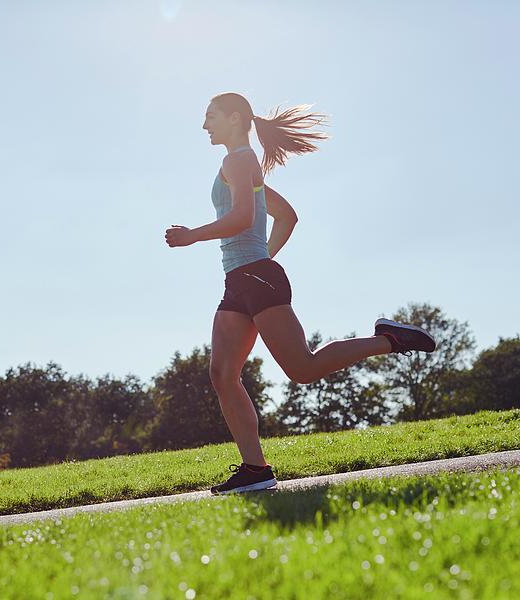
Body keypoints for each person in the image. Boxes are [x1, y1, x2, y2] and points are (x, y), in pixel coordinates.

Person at [164, 92, 436, 495]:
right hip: (243, 279)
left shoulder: (237, 160)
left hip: (254, 278)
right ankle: (255, 469)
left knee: (303, 370)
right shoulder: (242, 164)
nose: (205, 125)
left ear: (235, 118)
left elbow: (243, 217)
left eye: (211, 116)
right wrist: (258, 260)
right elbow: (287, 216)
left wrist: (193, 237)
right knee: (222, 374)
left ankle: (389, 340)